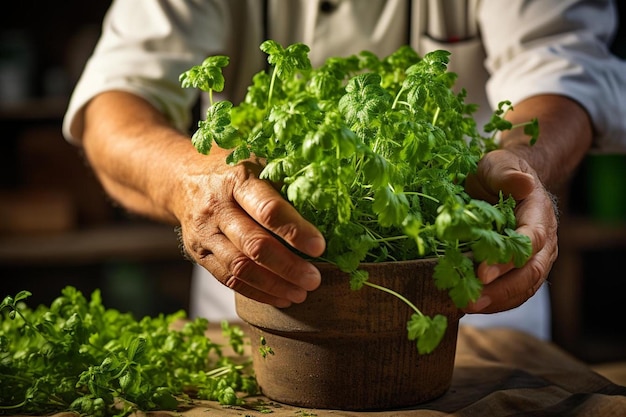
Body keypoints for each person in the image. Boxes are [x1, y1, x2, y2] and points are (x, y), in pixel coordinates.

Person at [63, 0, 626, 340]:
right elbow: (116, 98)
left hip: (474, 319)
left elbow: (561, 67)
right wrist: (191, 180)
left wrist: (518, 166)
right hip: (257, 310)